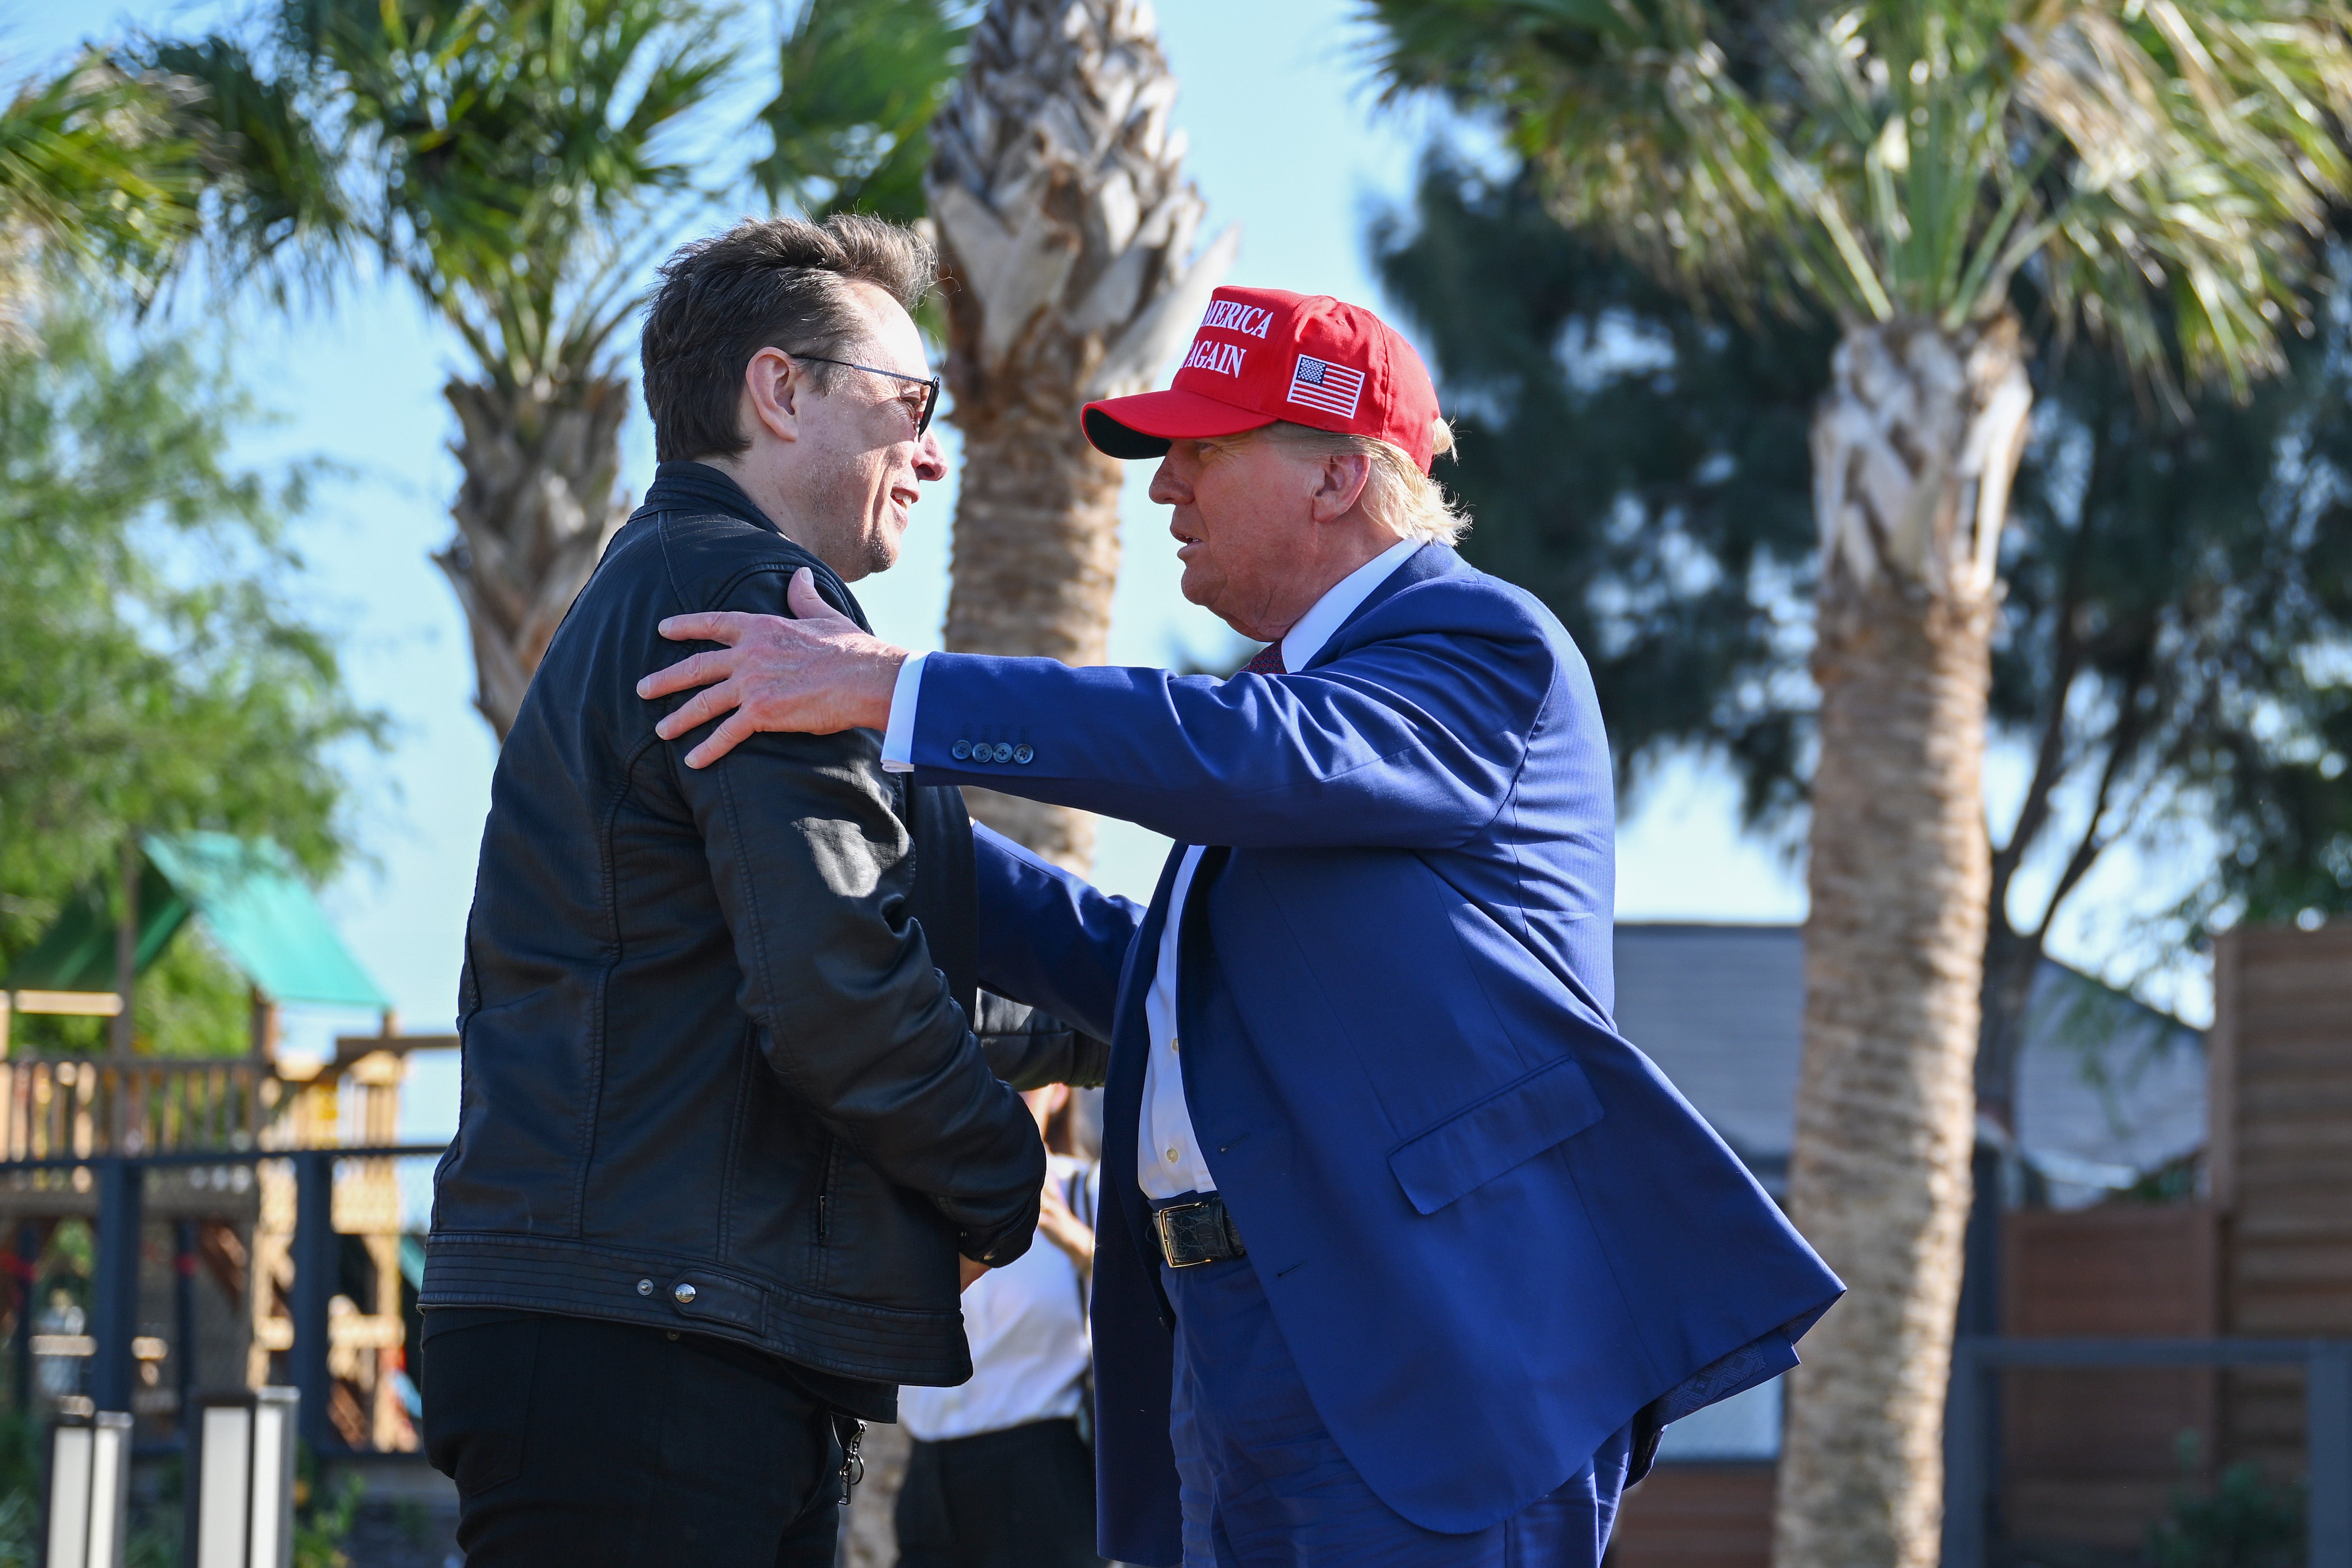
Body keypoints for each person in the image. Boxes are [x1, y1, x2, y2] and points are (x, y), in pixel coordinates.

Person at [637, 285, 1846, 1567]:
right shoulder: (1277, 716)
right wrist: (871, 806)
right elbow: (1143, 975)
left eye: (1202, 448)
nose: (1166, 487)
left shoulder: (1482, 643)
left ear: (1336, 475)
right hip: (1235, 1354)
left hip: (1425, 1349)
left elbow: (1248, 756)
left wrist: (892, 692)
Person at [419, 214, 1093, 1567]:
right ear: (777, 392)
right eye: (909, 403)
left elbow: (809, 975)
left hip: (637, 1330)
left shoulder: (664, 579)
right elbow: (837, 991)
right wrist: (1010, 1177)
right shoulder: (754, 603)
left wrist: (1121, 1015)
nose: (935, 450)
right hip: (658, 1356)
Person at [895, 1083, 1105, 1568]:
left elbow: (1152, 1308)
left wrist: (1076, 1241)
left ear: (1059, 1092)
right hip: (926, 1475)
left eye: (1027, 1081)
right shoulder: (916, 1197)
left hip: (1038, 1475)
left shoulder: (1085, 1193)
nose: (1005, 1098)